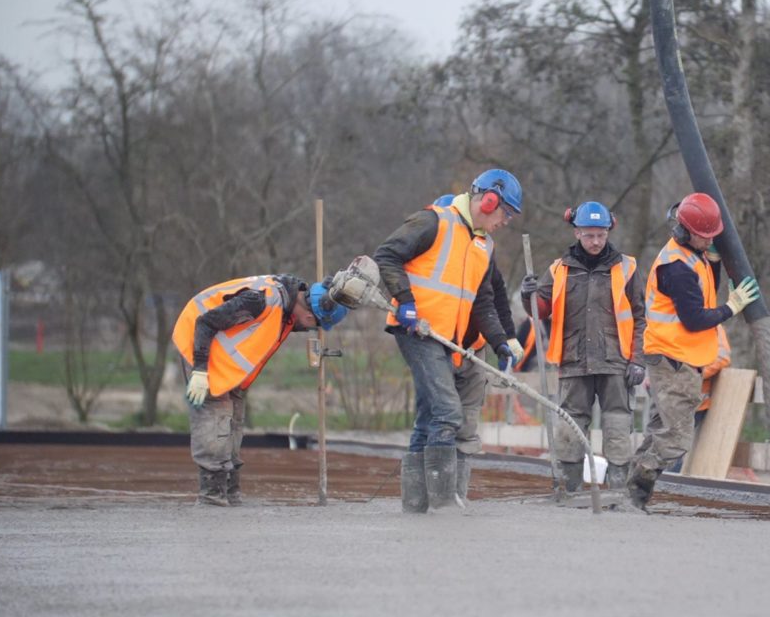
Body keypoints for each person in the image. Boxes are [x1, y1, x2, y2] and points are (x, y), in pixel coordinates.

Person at [374, 169, 525, 513]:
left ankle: (416, 504)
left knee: (430, 416)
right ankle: (442, 505)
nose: (506, 221)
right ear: (490, 201)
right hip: (417, 331)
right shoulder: (434, 221)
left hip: (448, 339)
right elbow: (386, 255)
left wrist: (501, 342)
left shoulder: (484, 244)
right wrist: (406, 302)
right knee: (447, 410)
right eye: (507, 213)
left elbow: (483, 302)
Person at [628, 193, 760, 510]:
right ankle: (633, 492)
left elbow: (703, 291)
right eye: (707, 236)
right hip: (673, 360)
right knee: (676, 439)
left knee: (661, 432)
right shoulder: (676, 267)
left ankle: (626, 490)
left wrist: (713, 261)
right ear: (688, 231)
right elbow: (696, 317)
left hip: (678, 359)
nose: (711, 240)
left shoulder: (691, 255)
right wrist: (732, 307)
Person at [172, 273, 348, 507]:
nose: (311, 330)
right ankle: (211, 499)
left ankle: (230, 493)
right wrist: (201, 370)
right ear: (308, 315)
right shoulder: (259, 301)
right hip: (198, 344)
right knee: (215, 420)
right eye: (315, 326)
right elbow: (204, 322)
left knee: (233, 421)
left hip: (227, 363)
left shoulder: (288, 304)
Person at [520, 201, 646, 492]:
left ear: (608, 231)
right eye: (589, 235)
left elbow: (641, 318)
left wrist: (638, 359)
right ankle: (569, 488)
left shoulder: (627, 268)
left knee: (617, 424)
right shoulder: (559, 270)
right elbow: (540, 309)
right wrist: (528, 296)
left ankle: (617, 490)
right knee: (570, 426)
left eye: (601, 234)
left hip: (616, 361)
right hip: (573, 360)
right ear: (577, 233)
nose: (596, 241)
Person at [430, 193, 521, 502]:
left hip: (473, 348)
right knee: (439, 420)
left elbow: (495, 296)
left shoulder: (482, 250)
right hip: (436, 348)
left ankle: (457, 496)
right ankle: (435, 494)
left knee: (467, 425)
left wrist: (507, 339)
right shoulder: (429, 253)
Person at [665, 323, 731, 474]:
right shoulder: (671, 319)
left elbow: (722, 357)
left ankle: (668, 487)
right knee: (661, 443)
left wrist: (694, 376)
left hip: (693, 400)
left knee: (674, 445)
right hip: (667, 395)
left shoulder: (713, 325)